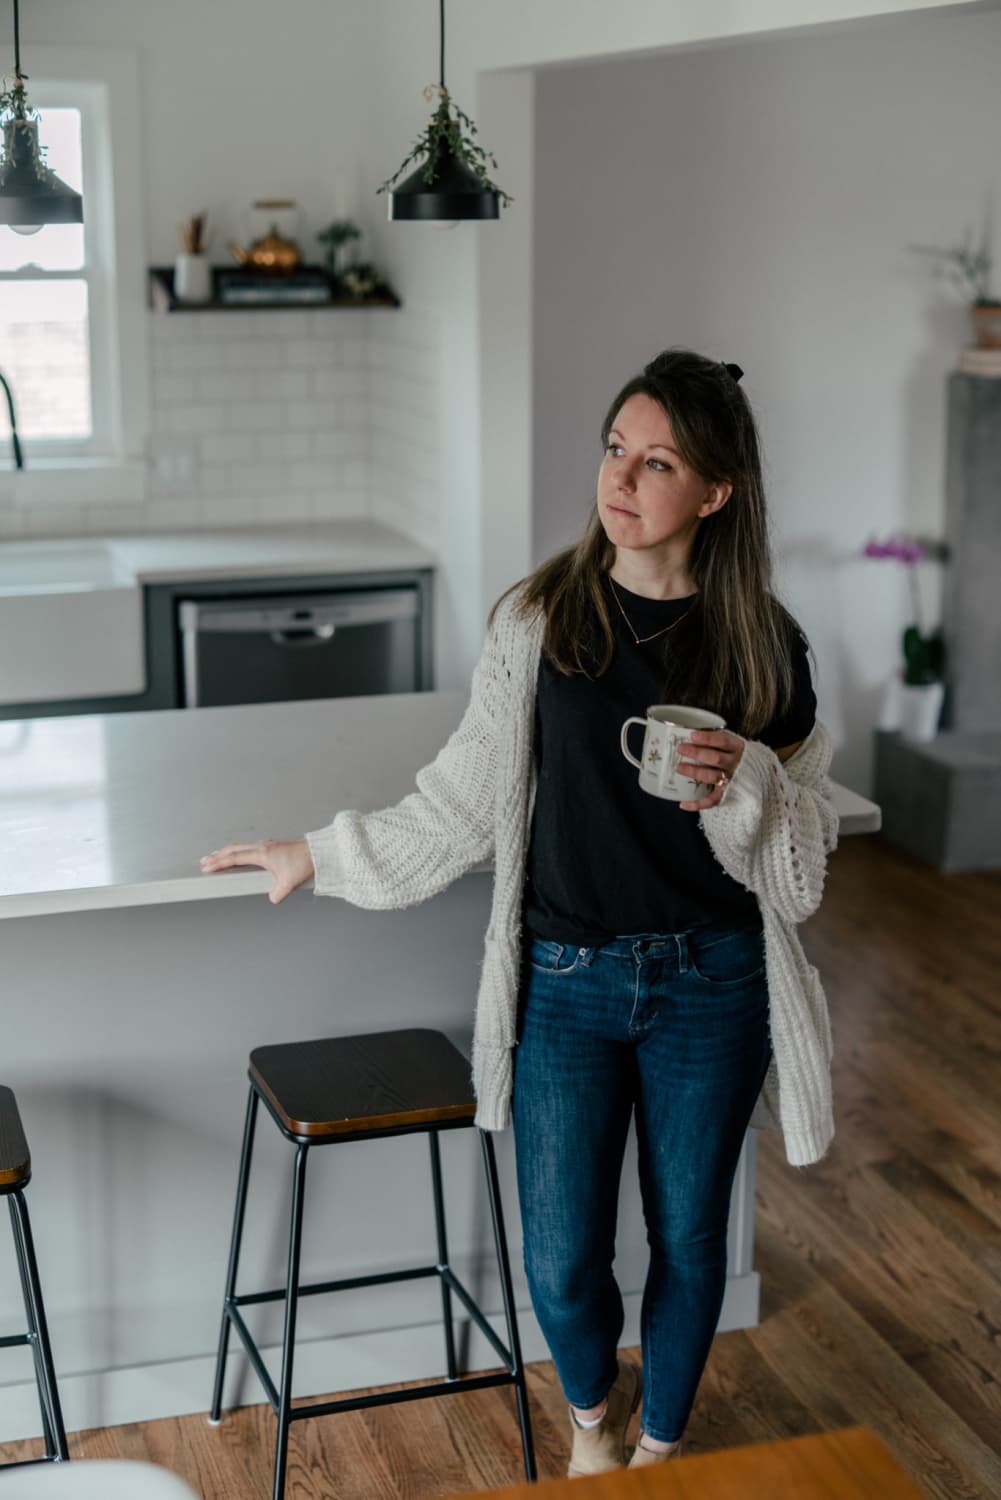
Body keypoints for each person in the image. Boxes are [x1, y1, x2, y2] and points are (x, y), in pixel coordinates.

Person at [200, 348, 839, 1475]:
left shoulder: (762, 644)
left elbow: (796, 872)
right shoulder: (541, 621)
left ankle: (657, 1443)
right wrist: (321, 853)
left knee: (691, 1240)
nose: (621, 481)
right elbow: (460, 803)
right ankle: (590, 1414)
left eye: (657, 462)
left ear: (714, 492)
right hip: (568, 983)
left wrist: (745, 783)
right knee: (557, 1257)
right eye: (613, 450)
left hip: (712, 983)